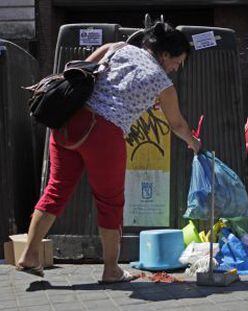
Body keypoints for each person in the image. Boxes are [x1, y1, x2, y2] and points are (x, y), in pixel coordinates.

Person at [16, 21, 201, 283]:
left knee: (56, 189)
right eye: (178, 61)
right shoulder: (163, 82)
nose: (176, 68)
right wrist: (193, 142)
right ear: (165, 54)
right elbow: (177, 124)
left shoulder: (117, 47)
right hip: (103, 134)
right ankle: (111, 270)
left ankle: (30, 255)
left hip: (68, 121)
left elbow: (80, 73)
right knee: (110, 202)